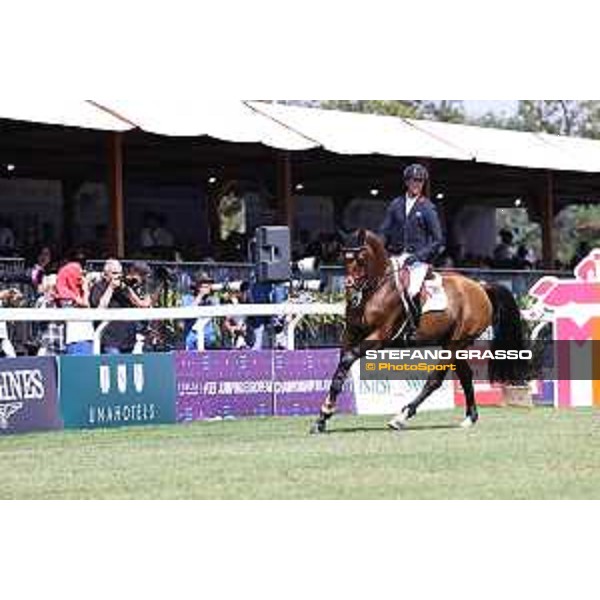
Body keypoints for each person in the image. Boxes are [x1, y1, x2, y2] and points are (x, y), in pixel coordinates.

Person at [378, 163, 444, 338]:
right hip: (395, 256)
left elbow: (438, 240)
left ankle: (413, 327)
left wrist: (417, 257)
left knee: (411, 289)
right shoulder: (396, 204)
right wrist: (380, 248)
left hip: (418, 260)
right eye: (413, 180)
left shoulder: (427, 207)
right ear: (406, 182)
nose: (416, 184)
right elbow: (384, 230)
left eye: (420, 181)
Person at [89, 259, 150, 354]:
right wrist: (111, 288)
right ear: (105, 274)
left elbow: (140, 304)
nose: (118, 276)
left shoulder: (125, 287)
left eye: (120, 273)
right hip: (110, 340)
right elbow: (99, 309)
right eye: (114, 273)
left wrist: (128, 289)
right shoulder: (99, 287)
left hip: (129, 339)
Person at [56, 255, 94, 355]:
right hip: (77, 339)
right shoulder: (65, 294)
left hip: (87, 337)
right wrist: (86, 290)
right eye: (79, 273)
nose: (81, 277)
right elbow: (85, 305)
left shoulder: (77, 292)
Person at [182, 271, 220, 350]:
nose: (207, 285)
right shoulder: (187, 298)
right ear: (197, 286)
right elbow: (187, 313)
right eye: (204, 283)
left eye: (209, 283)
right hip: (192, 337)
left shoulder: (213, 300)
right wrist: (200, 295)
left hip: (209, 338)